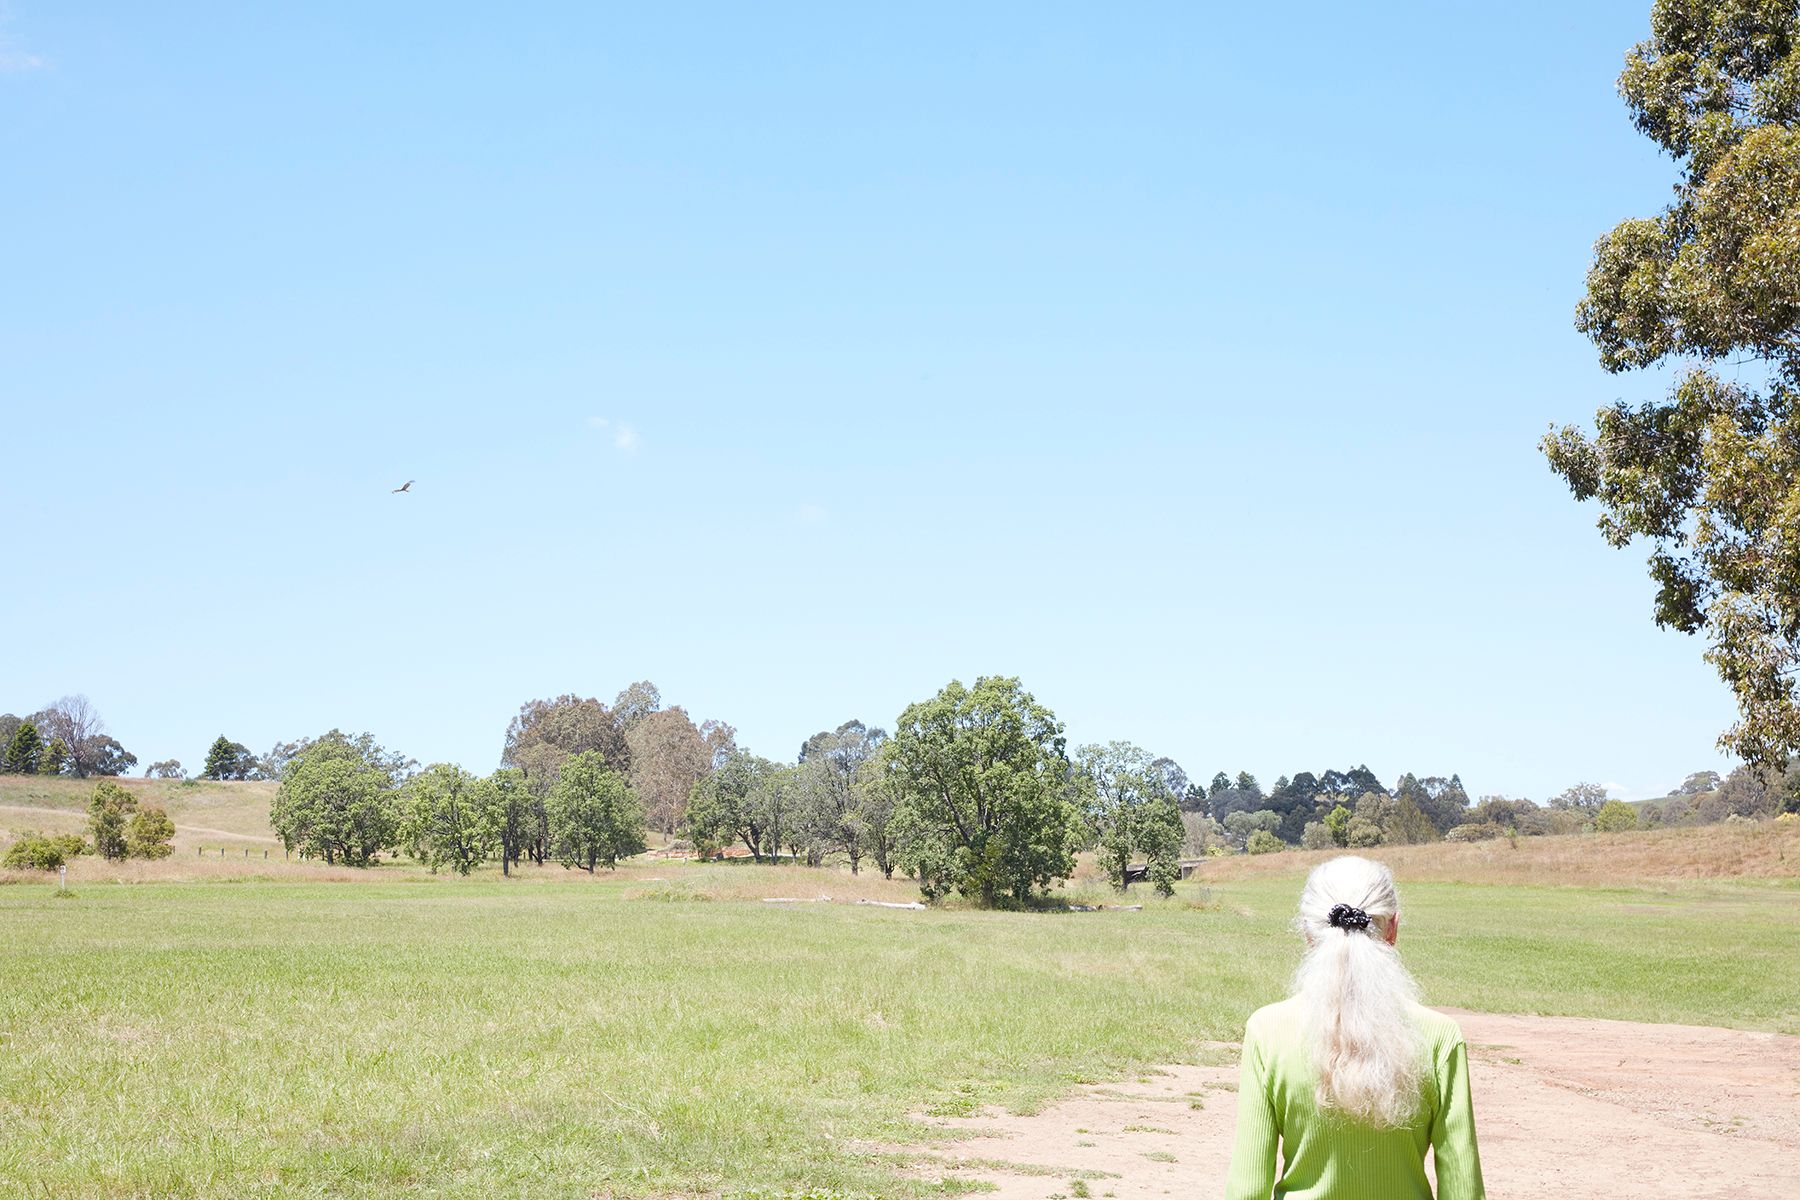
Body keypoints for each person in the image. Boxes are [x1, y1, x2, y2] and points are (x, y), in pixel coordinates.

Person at [1225, 855, 1484, 1200]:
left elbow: (1247, 1188)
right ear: (1393, 928)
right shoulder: (1439, 1036)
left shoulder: (1267, 1030)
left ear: (1307, 930)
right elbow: (1463, 1189)